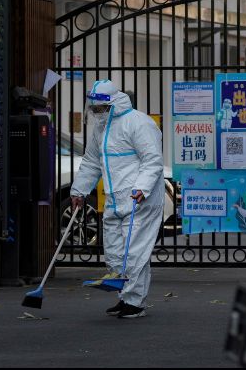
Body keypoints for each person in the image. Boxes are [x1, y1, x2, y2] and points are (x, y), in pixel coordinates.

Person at [70, 80, 165, 319]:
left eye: (101, 109)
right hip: (114, 197)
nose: (97, 114)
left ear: (113, 104)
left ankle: (135, 302)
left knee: (134, 252)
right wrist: (79, 190)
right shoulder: (101, 129)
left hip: (139, 198)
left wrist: (142, 187)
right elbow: (91, 161)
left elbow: (152, 159)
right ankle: (125, 297)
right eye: (94, 109)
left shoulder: (138, 123)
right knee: (114, 250)